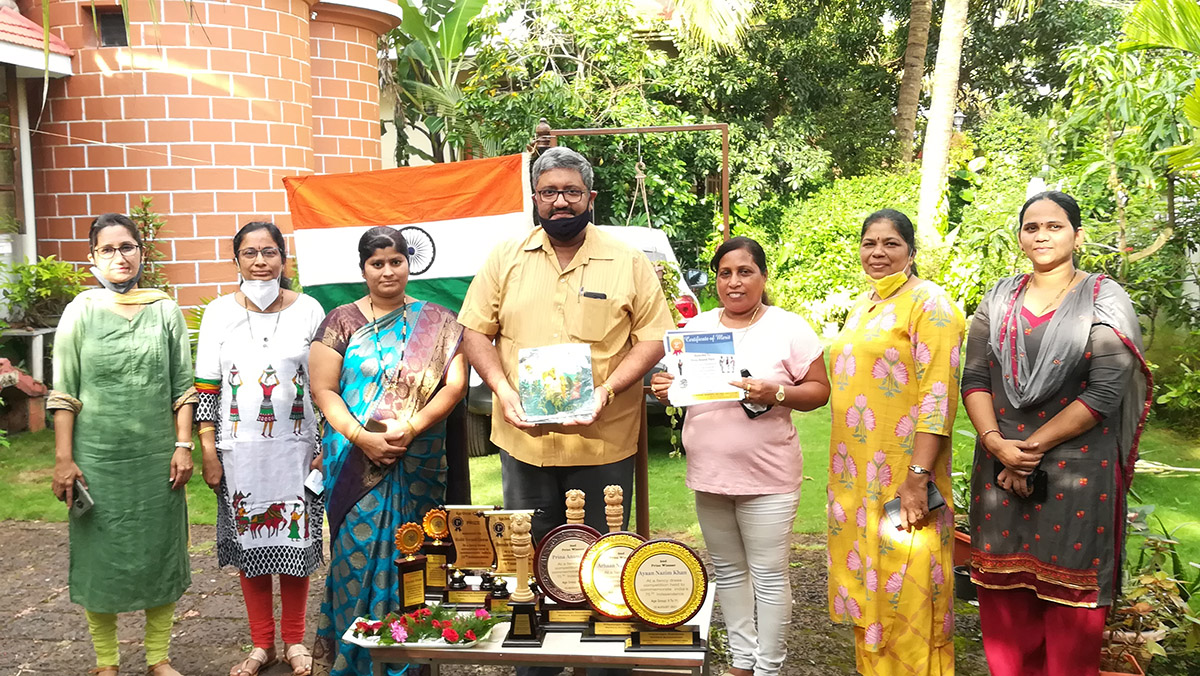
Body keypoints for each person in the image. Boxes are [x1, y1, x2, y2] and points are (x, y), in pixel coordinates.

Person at [961, 191, 1151, 676]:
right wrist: (995, 444)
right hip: (999, 468)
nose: (1041, 235)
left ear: (1077, 235)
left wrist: (1027, 449)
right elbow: (976, 379)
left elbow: (1106, 391)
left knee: (1071, 608)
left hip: (1077, 472)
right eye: (1031, 227)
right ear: (1021, 237)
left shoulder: (1104, 298)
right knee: (1005, 605)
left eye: (1054, 225)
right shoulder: (998, 298)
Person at [459, 145, 675, 543]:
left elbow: (654, 337)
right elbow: (474, 332)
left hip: (602, 444)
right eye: (549, 192)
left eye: (572, 192)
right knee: (531, 556)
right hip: (525, 441)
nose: (561, 202)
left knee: (599, 558)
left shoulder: (627, 261)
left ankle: (594, 610)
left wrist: (606, 391)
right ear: (536, 198)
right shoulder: (505, 259)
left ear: (590, 198)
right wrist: (503, 391)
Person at [650, 237, 830, 676]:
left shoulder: (788, 327)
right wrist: (663, 386)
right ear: (716, 279)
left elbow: (820, 391)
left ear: (763, 277)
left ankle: (769, 667)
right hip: (709, 475)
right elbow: (676, 384)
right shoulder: (697, 329)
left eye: (745, 271)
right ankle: (741, 662)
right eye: (725, 273)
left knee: (768, 578)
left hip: (767, 478)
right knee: (728, 573)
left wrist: (778, 391)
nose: (734, 282)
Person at [308, 226, 467, 676]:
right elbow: (325, 390)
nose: (387, 270)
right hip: (356, 464)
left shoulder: (439, 320)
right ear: (363, 269)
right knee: (355, 561)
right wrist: (364, 438)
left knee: (417, 560)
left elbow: (454, 385)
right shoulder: (340, 321)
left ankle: (417, 663)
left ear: (409, 265)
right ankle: (356, 662)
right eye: (377, 263)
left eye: (395, 261)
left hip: (416, 461)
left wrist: (411, 426)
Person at [48, 213, 197, 676]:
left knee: (159, 554)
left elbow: (183, 387)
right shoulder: (81, 310)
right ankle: (106, 662)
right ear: (92, 257)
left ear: (141, 252)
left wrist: (183, 444)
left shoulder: (164, 309)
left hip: (157, 458)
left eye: (127, 246)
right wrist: (64, 459)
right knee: (100, 561)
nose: (120, 256)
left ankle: (158, 658)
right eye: (108, 249)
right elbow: (64, 391)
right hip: (97, 460)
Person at [826, 209, 965, 675]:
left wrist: (917, 479)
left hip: (904, 478)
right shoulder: (865, 303)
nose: (878, 253)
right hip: (856, 477)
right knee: (870, 593)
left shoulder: (931, 304)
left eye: (891, 243)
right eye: (870, 243)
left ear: (911, 250)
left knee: (906, 590)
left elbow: (938, 397)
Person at [195, 222, 327, 676]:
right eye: (249, 253)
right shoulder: (217, 313)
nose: (259, 261)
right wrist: (209, 449)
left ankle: (294, 642)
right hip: (238, 453)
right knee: (252, 550)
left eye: (269, 252)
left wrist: (324, 445)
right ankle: (260, 645)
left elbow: (326, 385)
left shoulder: (309, 310)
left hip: (297, 451)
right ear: (236, 262)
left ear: (283, 260)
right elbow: (208, 388)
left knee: (294, 547)